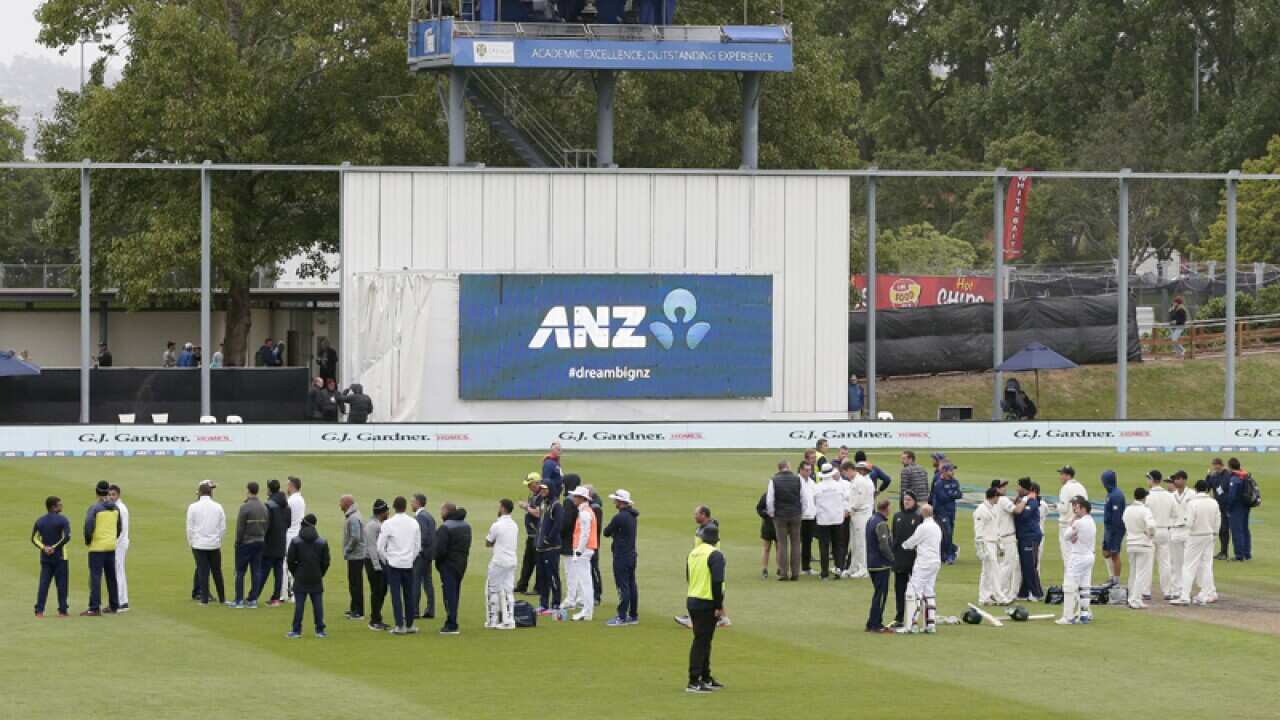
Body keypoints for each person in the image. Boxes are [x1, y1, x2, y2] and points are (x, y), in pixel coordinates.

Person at [684, 523, 726, 694]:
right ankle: (694, 680)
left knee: (704, 640)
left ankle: (705, 676)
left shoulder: (693, 553)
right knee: (701, 641)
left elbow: (688, 576)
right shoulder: (715, 555)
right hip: (707, 601)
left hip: (693, 598)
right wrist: (719, 605)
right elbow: (717, 581)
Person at [377, 496, 422, 635]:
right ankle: (409, 625)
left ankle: (399, 626)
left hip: (394, 564)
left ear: (394, 507)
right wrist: (410, 558)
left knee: (396, 595)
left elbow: (379, 547)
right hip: (408, 563)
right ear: (406, 507)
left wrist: (387, 560)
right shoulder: (413, 522)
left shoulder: (388, 523)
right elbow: (417, 546)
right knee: (409, 595)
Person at [1172, 480, 1220, 606]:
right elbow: (1217, 521)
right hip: (1209, 536)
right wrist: (1214, 534)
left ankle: (1184, 597)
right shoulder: (1214, 502)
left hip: (1195, 536)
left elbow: (1189, 523)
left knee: (1188, 566)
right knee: (1206, 565)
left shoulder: (1193, 503)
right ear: (1207, 490)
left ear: (1196, 489)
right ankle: (1206, 594)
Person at [899, 504, 942, 634]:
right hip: (935, 561)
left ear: (922, 513)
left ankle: (912, 624)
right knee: (928, 591)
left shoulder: (923, 527)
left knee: (913, 590)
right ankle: (930, 624)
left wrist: (903, 545)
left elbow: (913, 541)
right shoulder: (936, 526)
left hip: (924, 562)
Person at [286, 514, 330, 638]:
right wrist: (320, 573)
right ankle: (320, 629)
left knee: (299, 605)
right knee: (318, 605)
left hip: (300, 576)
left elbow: (290, 561)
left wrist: (296, 572)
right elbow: (326, 562)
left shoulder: (296, 541)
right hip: (316, 576)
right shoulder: (322, 542)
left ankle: (296, 630)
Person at [82, 481, 122, 616]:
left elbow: (88, 526)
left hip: (97, 547)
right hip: (111, 546)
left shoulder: (94, 508)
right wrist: (112, 538)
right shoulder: (116, 508)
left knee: (95, 577)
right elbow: (119, 528)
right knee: (111, 577)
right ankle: (114, 605)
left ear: (96, 492)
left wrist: (88, 540)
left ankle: (94, 607)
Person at [187, 480, 227, 606]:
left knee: (203, 571)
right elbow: (223, 527)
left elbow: (189, 527)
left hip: (198, 544)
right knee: (217, 572)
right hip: (214, 544)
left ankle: (204, 600)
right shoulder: (218, 506)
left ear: (199, 493)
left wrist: (192, 542)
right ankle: (222, 598)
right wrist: (218, 540)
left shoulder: (193, 507)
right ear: (210, 493)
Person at [1057, 497, 1096, 625]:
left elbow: (1066, 535)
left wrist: (1072, 522)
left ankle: (1068, 617)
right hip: (1089, 556)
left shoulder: (1079, 522)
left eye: (1076, 506)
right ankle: (1085, 614)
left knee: (1069, 586)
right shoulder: (1091, 521)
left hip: (1078, 556)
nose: (1074, 509)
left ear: (1083, 508)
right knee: (1084, 586)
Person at [434, 502, 472, 634]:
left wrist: (438, 563)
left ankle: (451, 624)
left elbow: (440, 550)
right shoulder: (466, 525)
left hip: (448, 565)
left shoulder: (445, 527)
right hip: (461, 564)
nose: (440, 513)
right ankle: (452, 621)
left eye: (442, 510)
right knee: (455, 593)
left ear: (447, 512)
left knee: (449, 594)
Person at [230, 481, 268, 608]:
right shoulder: (263, 507)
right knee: (256, 571)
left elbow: (240, 528)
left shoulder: (245, 507)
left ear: (248, 490)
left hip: (246, 543)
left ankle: (239, 601)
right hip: (260, 541)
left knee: (240, 572)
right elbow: (266, 525)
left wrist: (238, 542)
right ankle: (253, 601)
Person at [603, 489, 639, 626]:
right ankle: (633, 615)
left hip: (621, 556)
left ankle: (622, 616)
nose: (614, 503)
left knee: (623, 586)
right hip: (631, 555)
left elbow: (606, 532)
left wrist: (615, 534)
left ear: (621, 502)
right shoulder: (632, 516)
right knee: (631, 585)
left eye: (616, 500)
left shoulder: (619, 517)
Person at [32, 496, 72, 617]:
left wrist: (45, 548)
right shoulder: (63, 520)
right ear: (54, 507)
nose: (61, 506)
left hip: (45, 558)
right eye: (59, 504)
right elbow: (66, 537)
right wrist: (54, 547)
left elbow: (34, 538)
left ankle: (39, 610)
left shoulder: (40, 521)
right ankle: (62, 610)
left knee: (44, 584)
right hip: (61, 557)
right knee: (62, 585)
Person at [766, 460, 805, 581]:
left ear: (779, 468)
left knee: (782, 544)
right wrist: (801, 512)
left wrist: (772, 513)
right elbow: (804, 498)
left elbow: (769, 500)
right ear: (788, 467)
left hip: (780, 515)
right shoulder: (798, 479)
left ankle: (783, 573)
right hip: (795, 514)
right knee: (795, 543)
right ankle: (795, 573)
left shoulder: (774, 480)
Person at [485, 499, 519, 630]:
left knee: (492, 589)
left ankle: (492, 620)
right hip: (511, 561)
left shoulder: (497, 525)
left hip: (499, 561)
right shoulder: (514, 525)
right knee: (508, 590)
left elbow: (488, 542)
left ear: (503, 508)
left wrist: (495, 543)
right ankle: (509, 620)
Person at [890, 492, 922, 627]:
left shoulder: (919, 517)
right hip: (900, 559)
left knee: (915, 590)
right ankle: (899, 616)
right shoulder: (897, 516)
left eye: (909, 500)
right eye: (904, 500)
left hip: (914, 559)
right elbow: (895, 537)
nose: (906, 502)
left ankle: (914, 616)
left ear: (915, 501)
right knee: (899, 589)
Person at [566, 486, 598, 621]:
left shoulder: (584, 512)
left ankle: (587, 612)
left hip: (584, 550)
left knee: (585, 582)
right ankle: (587, 611)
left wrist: (578, 551)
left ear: (581, 498)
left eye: (576, 496)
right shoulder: (586, 511)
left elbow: (585, 534)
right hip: (586, 549)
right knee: (586, 581)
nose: (573, 498)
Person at [1144, 471, 1176, 601]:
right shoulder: (1169, 496)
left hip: (1151, 532)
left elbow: (1144, 515)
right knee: (1165, 562)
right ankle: (1167, 591)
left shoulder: (1148, 496)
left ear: (1152, 480)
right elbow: (1174, 514)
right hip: (1164, 531)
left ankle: (1146, 591)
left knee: (1147, 562)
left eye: (1148, 479)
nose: (1147, 481)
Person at [813, 462, 848, 580]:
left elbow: (814, 502)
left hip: (823, 520)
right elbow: (845, 499)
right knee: (838, 545)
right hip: (837, 519)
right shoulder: (839, 486)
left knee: (824, 546)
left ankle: (824, 573)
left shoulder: (817, 487)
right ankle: (839, 569)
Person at [864, 499, 895, 633]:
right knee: (881, 595)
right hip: (880, 564)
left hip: (871, 562)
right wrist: (893, 559)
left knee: (877, 593)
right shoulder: (881, 523)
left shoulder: (871, 519)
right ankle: (876, 624)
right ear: (886, 509)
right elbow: (884, 546)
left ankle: (871, 622)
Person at [1123, 487, 1156, 609]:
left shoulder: (1128, 509)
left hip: (1130, 543)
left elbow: (1124, 522)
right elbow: (1151, 525)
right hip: (1143, 544)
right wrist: (1150, 534)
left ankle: (1132, 598)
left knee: (1133, 572)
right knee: (1141, 573)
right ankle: (1135, 600)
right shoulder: (1145, 510)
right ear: (1143, 497)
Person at [534, 480, 564, 613]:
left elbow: (558, 525)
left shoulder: (556, 505)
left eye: (545, 489)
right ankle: (543, 604)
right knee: (542, 577)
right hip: (541, 547)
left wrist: (548, 539)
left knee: (552, 576)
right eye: (541, 489)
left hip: (551, 547)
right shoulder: (544, 503)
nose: (542, 491)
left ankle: (556, 604)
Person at [973, 487, 1006, 605]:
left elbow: (995, 528)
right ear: (994, 497)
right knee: (994, 570)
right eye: (998, 497)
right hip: (986, 543)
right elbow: (978, 531)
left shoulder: (994, 508)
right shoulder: (981, 510)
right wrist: (980, 549)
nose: (999, 499)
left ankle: (984, 597)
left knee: (987, 571)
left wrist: (1000, 544)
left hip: (993, 543)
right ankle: (999, 597)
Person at [844, 460, 877, 578]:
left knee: (862, 542)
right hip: (855, 514)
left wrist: (849, 510)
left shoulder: (861, 481)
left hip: (862, 514)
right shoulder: (855, 481)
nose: (846, 476)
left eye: (845, 473)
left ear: (849, 470)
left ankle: (863, 568)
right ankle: (854, 567)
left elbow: (860, 500)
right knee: (854, 542)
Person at [1013, 478, 1043, 601]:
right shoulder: (1023, 500)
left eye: (1018, 487)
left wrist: (1023, 501)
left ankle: (1037, 593)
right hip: (1024, 536)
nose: (1016, 489)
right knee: (1025, 565)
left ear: (1024, 488)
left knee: (1029, 565)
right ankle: (1023, 593)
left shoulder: (1032, 500)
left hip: (1030, 537)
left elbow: (1023, 515)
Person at [992, 479, 1022, 601]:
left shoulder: (993, 501)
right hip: (1007, 537)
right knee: (1007, 565)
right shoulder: (1003, 500)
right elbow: (1017, 510)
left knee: (1002, 565)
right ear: (997, 489)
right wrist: (1025, 500)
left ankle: (997, 591)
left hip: (998, 537)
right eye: (1002, 486)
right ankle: (1001, 593)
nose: (1005, 488)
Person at [262, 479, 291, 606]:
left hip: (270, 543)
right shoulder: (286, 505)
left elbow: (266, 526)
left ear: (269, 489)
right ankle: (276, 598)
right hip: (281, 542)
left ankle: (253, 596)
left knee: (263, 572)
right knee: (278, 572)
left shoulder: (269, 505)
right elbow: (288, 524)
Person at [1056, 465, 1088, 576]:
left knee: (1068, 556)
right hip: (1081, 524)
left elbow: (1063, 509)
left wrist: (1057, 506)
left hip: (1067, 526)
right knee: (1078, 555)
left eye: (1062, 474)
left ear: (1067, 475)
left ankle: (1070, 585)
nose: (1060, 477)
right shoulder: (1081, 486)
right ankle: (1079, 584)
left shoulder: (1065, 488)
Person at [929, 463, 963, 565]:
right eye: (950, 470)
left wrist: (951, 495)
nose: (953, 472)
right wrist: (953, 494)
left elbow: (959, 494)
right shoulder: (939, 483)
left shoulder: (955, 482)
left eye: (953, 470)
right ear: (944, 471)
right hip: (941, 511)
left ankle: (947, 554)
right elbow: (943, 497)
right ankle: (949, 554)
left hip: (951, 511)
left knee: (949, 532)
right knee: (946, 532)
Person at [410, 493, 438, 621]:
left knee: (415, 582)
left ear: (417, 503)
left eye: (412, 502)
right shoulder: (429, 516)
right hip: (428, 554)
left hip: (421, 555)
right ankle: (430, 609)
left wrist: (417, 550)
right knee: (427, 582)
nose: (411, 504)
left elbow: (423, 536)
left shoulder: (420, 517)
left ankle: (414, 610)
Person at [364, 499, 390, 631]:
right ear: (382, 512)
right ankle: (374, 620)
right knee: (377, 591)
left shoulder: (377, 524)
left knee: (382, 590)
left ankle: (377, 617)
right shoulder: (372, 526)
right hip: (373, 562)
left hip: (378, 562)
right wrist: (378, 566)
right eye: (387, 511)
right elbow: (372, 548)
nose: (388, 513)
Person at [515, 473, 543, 595]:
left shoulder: (542, 497)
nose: (529, 487)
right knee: (527, 562)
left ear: (537, 484)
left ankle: (539, 588)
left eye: (530, 485)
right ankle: (522, 585)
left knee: (538, 562)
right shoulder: (534, 496)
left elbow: (538, 513)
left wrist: (526, 507)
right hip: (531, 534)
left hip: (538, 534)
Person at [340, 495, 366, 620]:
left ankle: (359, 611)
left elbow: (355, 537)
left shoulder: (354, 518)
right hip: (355, 555)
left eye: (341, 502)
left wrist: (347, 549)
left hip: (356, 555)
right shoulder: (353, 515)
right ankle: (354, 608)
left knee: (356, 583)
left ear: (347, 503)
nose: (339, 505)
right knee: (353, 583)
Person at [1169, 470, 1193, 600]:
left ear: (1184, 480)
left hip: (1187, 531)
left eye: (1177, 479)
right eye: (1174, 479)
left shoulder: (1192, 494)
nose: (1175, 481)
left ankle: (1185, 589)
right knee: (1175, 562)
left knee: (1187, 562)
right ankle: (1176, 589)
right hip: (1175, 530)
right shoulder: (1171, 495)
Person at [107, 484, 131, 612]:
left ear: (118, 495)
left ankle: (122, 602)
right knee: (117, 571)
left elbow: (122, 530)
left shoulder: (121, 508)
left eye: (113, 495)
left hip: (119, 544)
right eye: (109, 494)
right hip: (117, 543)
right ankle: (118, 601)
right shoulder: (115, 507)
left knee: (118, 572)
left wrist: (113, 544)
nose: (111, 497)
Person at [1225, 458, 1254, 561]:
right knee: (1245, 530)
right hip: (1246, 506)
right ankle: (1247, 553)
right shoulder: (1244, 475)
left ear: (1230, 467)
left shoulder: (1234, 479)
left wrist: (1228, 508)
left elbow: (1232, 496)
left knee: (1237, 531)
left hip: (1237, 507)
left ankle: (1239, 555)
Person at [1100, 470, 1126, 585]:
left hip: (1115, 529)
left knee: (1114, 554)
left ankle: (1116, 580)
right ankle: (1112, 576)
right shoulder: (1111, 493)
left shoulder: (1116, 495)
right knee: (1106, 552)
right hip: (1109, 528)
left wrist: (1113, 533)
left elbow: (1117, 516)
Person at [1204, 458, 1232, 560]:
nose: (1215, 467)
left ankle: (1224, 552)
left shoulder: (1227, 474)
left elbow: (1225, 488)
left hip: (1227, 505)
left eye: (1216, 465)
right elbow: (1207, 488)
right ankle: (1222, 552)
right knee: (1220, 529)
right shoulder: (1213, 475)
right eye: (1214, 465)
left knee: (1224, 529)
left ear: (1221, 464)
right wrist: (1207, 477)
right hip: (1218, 506)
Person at [285, 476, 306, 601]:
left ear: (292, 486)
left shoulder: (291, 501)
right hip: (299, 533)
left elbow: (287, 519)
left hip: (291, 534)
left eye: (288, 485)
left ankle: (291, 593)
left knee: (288, 565)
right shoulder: (301, 499)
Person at [755, 488, 777, 580]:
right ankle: (764, 569)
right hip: (768, 525)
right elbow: (759, 508)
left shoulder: (782, 495)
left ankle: (780, 569)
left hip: (779, 525)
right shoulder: (766, 495)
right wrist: (766, 514)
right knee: (766, 548)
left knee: (779, 548)